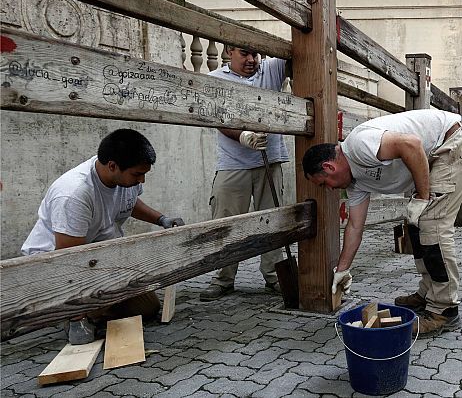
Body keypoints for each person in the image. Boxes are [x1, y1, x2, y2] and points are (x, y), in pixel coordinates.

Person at [302, 109, 462, 337]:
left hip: (456, 140)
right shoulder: (355, 183)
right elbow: (354, 226)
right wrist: (343, 270)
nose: (329, 189)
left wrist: (422, 196)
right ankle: (428, 292)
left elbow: (411, 144)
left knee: (432, 225)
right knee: (415, 223)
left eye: (324, 184)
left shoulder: (358, 146)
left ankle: (444, 310)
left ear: (329, 168)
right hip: (440, 151)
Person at [20, 129, 185, 345]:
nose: (142, 180)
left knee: (147, 307)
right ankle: (69, 312)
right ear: (112, 166)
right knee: (106, 299)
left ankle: (93, 309)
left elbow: (130, 202)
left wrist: (161, 219)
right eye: (137, 174)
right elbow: (69, 260)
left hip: (95, 260)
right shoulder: (74, 194)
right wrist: (77, 318)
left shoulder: (123, 179)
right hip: (52, 271)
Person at [200, 46, 290, 301]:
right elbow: (216, 117)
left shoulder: (271, 70)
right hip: (232, 162)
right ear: (229, 52)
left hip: (268, 162)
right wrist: (242, 135)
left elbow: (294, 51)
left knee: (271, 221)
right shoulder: (217, 79)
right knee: (225, 221)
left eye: (256, 54)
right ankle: (223, 278)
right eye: (244, 54)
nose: (251, 60)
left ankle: (274, 277)